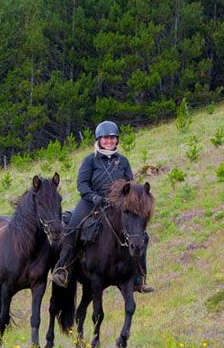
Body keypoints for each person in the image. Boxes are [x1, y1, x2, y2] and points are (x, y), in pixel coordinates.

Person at [51, 121, 154, 293]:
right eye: (106, 138)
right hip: (90, 202)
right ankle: (63, 268)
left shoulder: (123, 161)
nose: (109, 141)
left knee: (143, 236)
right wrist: (94, 197)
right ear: (99, 140)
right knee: (72, 227)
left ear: (117, 140)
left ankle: (139, 278)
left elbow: (130, 184)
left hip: (118, 205)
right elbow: (82, 184)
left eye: (113, 138)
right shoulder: (90, 160)